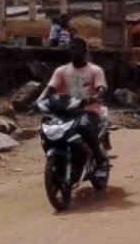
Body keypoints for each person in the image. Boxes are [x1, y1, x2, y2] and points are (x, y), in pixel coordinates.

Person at [38, 38, 109, 176]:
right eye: (71, 48)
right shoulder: (61, 70)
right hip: (65, 110)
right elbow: (50, 88)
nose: (74, 51)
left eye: (77, 48)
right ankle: (56, 159)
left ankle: (99, 161)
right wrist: (39, 100)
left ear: (85, 51)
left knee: (84, 126)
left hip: (89, 110)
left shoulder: (95, 70)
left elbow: (101, 88)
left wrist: (96, 97)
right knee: (45, 129)